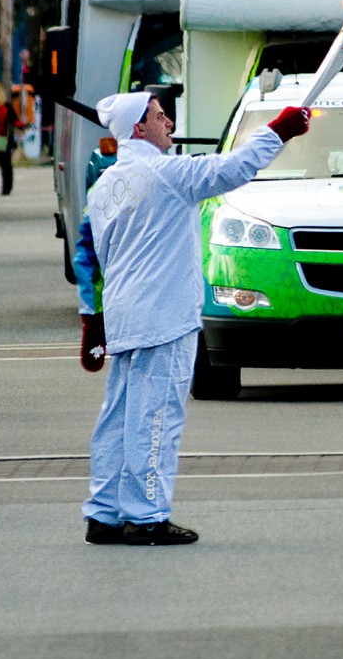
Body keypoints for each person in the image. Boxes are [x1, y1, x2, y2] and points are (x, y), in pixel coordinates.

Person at [80, 91, 310, 546]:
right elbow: (231, 169)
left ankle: (103, 514)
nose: (169, 122)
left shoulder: (104, 185)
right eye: (159, 116)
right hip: (164, 316)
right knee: (156, 416)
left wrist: (94, 317)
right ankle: (147, 517)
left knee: (120, 416)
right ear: (138, 129)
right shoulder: (166, 174)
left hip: (126, 315)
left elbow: (91, 254)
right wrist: (279, 131)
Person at [0, 78, 22, 196]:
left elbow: (13, 120)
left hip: (2, 140)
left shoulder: (4, 106)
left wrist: (21, 125)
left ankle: (6, 188)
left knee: (5, 166)